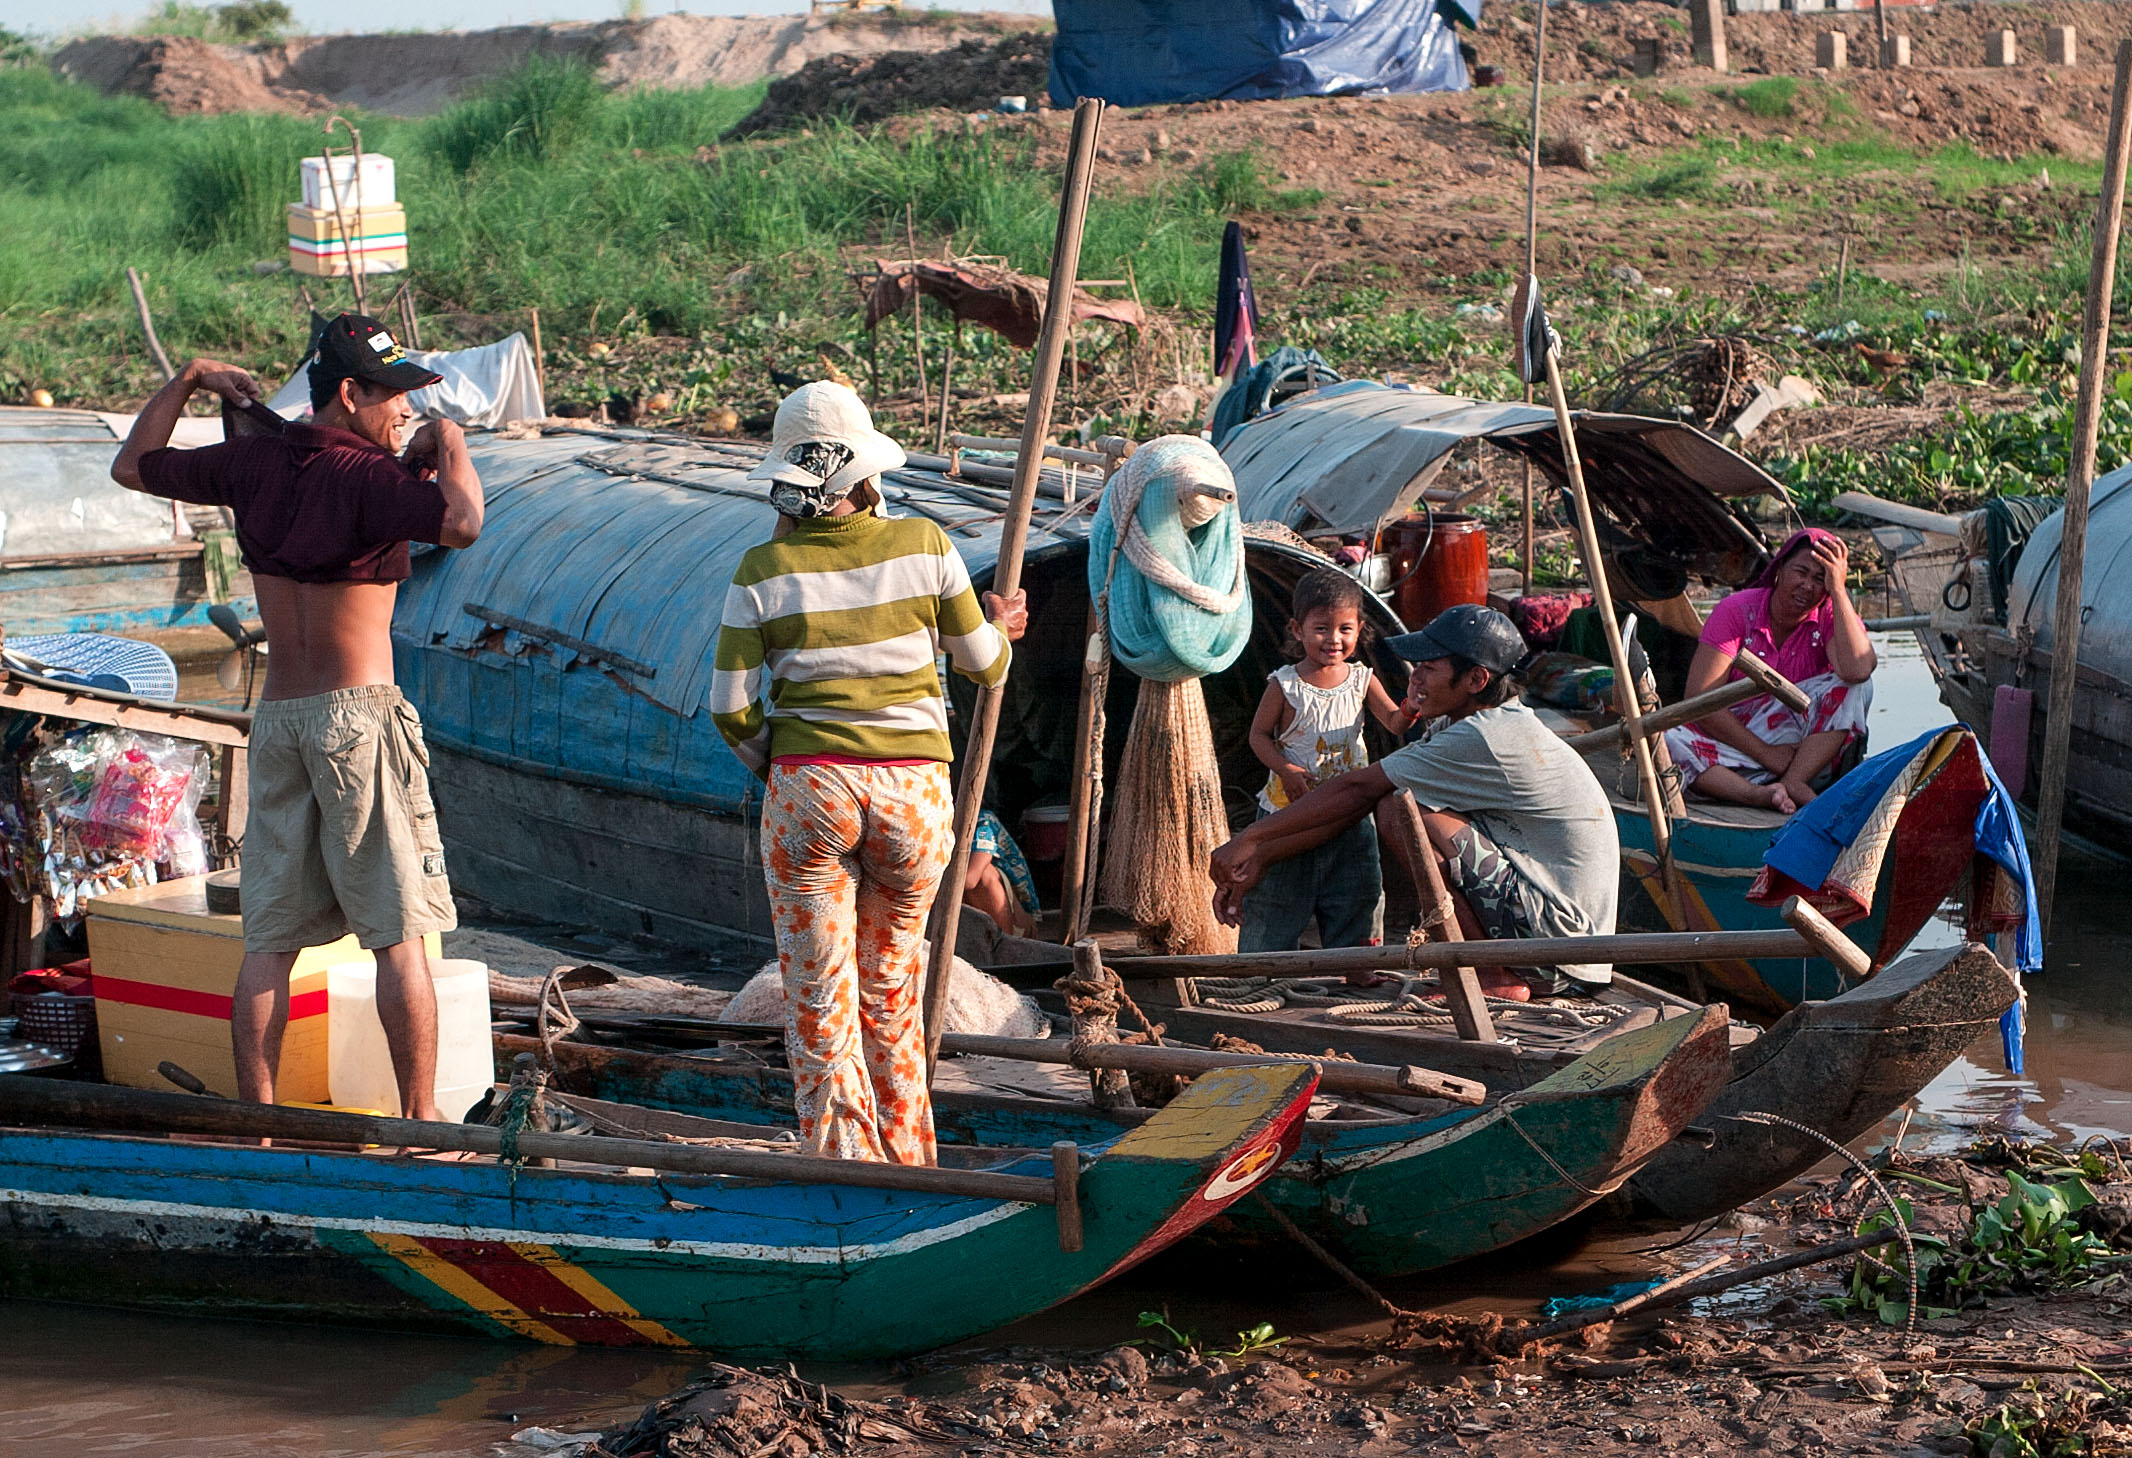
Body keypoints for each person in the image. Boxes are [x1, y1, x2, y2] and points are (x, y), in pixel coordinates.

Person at [110, 314, 483, 1117]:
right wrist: (449, 442)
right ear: (349, 393)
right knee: (400, 934)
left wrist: (189, 378)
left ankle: (262, 1123)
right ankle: (421, 1122)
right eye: (395, 398)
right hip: (360, 721)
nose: (405, 412)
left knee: (269, 941)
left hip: (278, 723)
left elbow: (132, 465)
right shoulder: (368, 478)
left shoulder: (254, 463)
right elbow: (462, 522)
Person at [711, 381, 1027, 1165]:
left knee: (821, 1002)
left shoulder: (761, 569)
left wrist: (783, 767)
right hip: (913, 796)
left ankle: (844, 1168)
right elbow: (985, 666)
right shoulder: (926, 545)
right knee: (890, 990)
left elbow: (730, 708)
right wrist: (1001, 626)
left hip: (810, 790)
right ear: (866, 474)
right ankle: (910, 1163)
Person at [1210, 605, 1619, 1000]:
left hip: (1559, 948)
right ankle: (1488, 965)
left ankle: (1491, 972)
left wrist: (1250, 837)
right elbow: (1357, 800)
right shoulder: (1467, 723)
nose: (1415, 677)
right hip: (1561, 944)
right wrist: (1263, 854)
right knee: (1394, 802)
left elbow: (1359, 790)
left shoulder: (1481, 737)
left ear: (1476, 679)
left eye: (1429, 668)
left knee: (1398, 809)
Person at [1237, 566, 1414, 953]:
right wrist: (1285, 769)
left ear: (1359, 628)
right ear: (1297, 630)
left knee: (1358, 894)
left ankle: (1357, 967)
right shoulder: (1285, 685)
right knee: (1275, 898)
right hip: (1289, 815)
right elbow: (1258, 736)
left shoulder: (1362, 679)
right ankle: (1259, 970)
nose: (1333, 639)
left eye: (1344, 629)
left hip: (1349, 815)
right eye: (1321, 628)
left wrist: (1414, 705)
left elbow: (1394, 721)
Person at [1664, 527, 1876, 813]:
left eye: (1819, 579)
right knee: (1666, 743)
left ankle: (1794, 782)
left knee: (1858, 685)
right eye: (1801, 572)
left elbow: (1858, 670)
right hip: (1736, 741)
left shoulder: (1829, 614)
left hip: (1802, 755)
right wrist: (1767, 755)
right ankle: (1756, 794)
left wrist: (1838, 589)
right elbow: (1700, 698)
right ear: (1780, 570)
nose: (1808, 586)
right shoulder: (1736, 610)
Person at [966, 809, 1040, 939]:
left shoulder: (982, 820)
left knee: (984, 874)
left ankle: (1002, 942)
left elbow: (970, 880)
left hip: (1016, 921)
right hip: (967, 921)